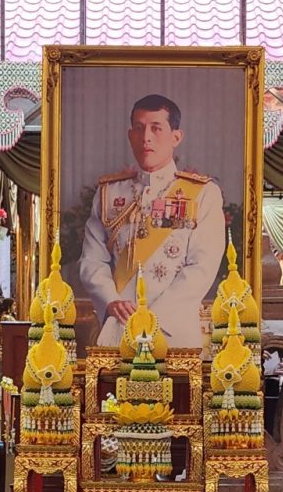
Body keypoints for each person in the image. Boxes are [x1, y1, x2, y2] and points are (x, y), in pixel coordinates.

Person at [79, 93, 225, 349]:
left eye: (156, 128)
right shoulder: (109, 194)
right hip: (118, 329)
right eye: (139, 128)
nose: (146, 137)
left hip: (173, 334)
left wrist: (154, 319)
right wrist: (111, 301)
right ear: (130, 135)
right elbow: (92, 260)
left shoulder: (203, 194)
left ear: (176, 137)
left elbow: (202, 266)